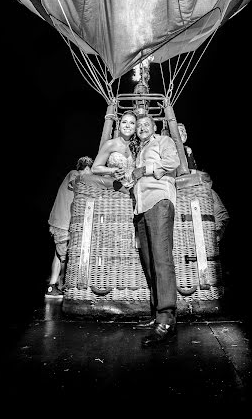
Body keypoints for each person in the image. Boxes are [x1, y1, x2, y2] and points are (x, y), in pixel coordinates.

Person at [131, 114, 180, 347]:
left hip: (159, 200)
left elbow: (174, 162)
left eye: (145, 125)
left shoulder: (163, 142)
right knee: (150, 261)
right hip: (141, 207)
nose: (141, 128)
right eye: (138, 126)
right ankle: (156, 315)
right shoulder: (138, 151)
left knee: (162, 259)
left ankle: (167, 318)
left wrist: (146, 169)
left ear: (154, 127)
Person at [45, 156, 94, 299]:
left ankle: (52, 286)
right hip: (61, 222)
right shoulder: (74, 174)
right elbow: (77, 183)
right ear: (86, 168)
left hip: (60, 222)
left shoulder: (74, 175)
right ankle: (62, 285)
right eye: (92, 170)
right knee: (63, 256)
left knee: (58, 254)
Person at [91, 111, 138, 194]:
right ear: (119, 125)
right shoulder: (110, 144)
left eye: (132, 123)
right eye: (124, 122)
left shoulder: (138, 146)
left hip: (135, 190)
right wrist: (112, 170)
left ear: (135, 128)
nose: (127, 125)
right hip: (114, 190)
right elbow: (95, 168)